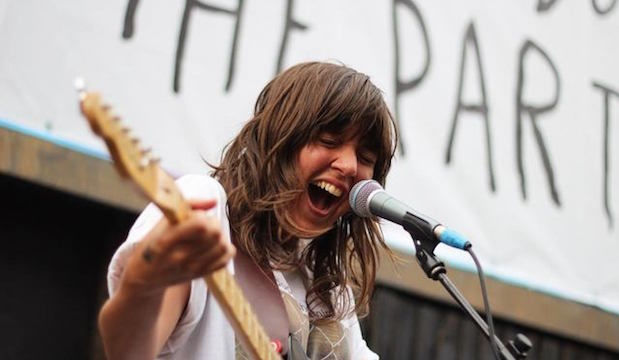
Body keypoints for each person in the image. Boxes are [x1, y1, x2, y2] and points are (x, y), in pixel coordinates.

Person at [98, 61, 397, 360]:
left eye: (365, 156)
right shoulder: (204, 209)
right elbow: (128, 353)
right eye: (329, 140)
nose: (348, 165)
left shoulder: (328, 287)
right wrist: (143, 282)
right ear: (278, 140)